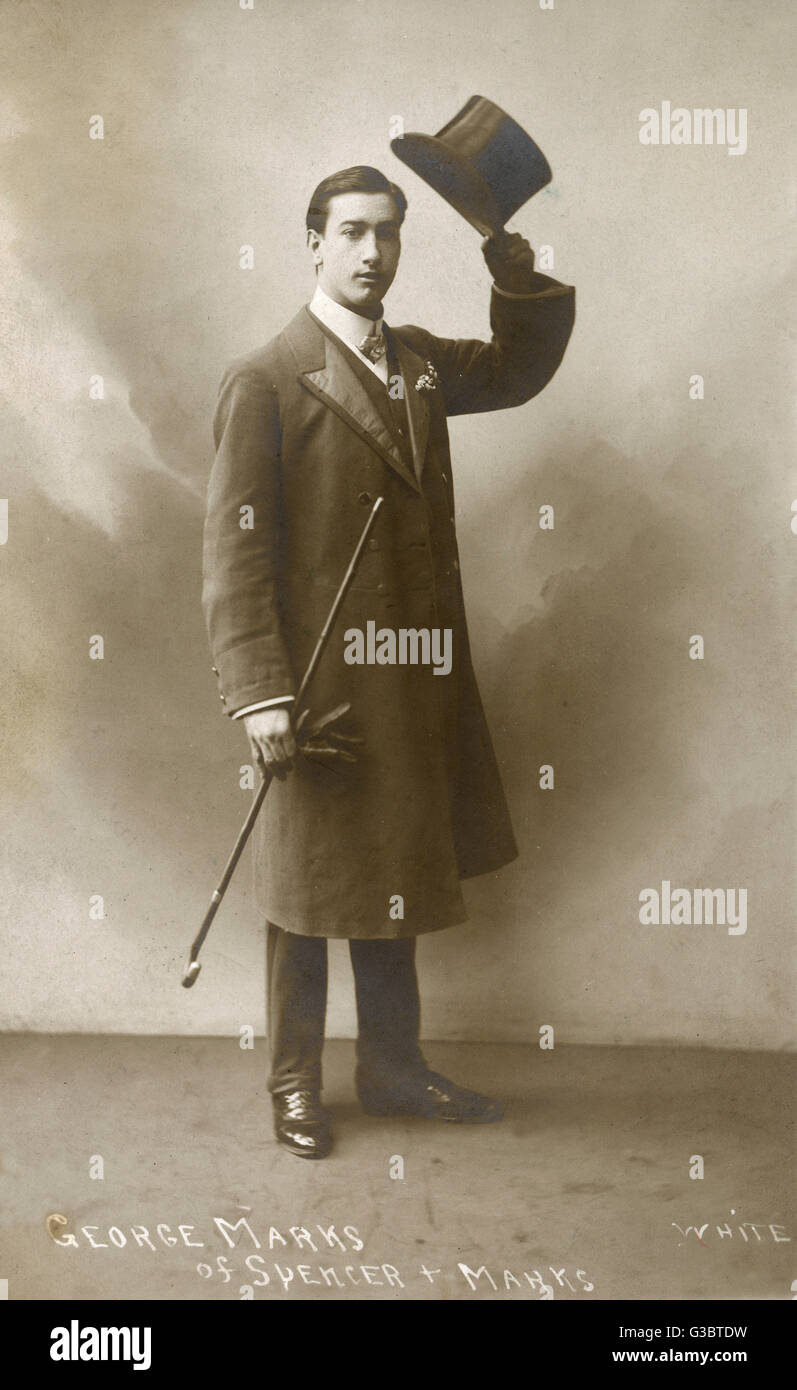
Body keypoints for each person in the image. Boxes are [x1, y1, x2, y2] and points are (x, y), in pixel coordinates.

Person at [202, 165, 575, 1158]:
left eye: (390, 234)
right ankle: (292, 1081)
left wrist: (508, 255)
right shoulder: (266, 377)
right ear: (314, 243)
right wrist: (259, 695)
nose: (374, 253)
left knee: (391, 874)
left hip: (408, 676)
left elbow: (516, 368)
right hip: (314, 687)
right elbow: (233, 553)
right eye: (354, 232)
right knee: (305, 887)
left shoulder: (415, 363)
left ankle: (391, 1067)